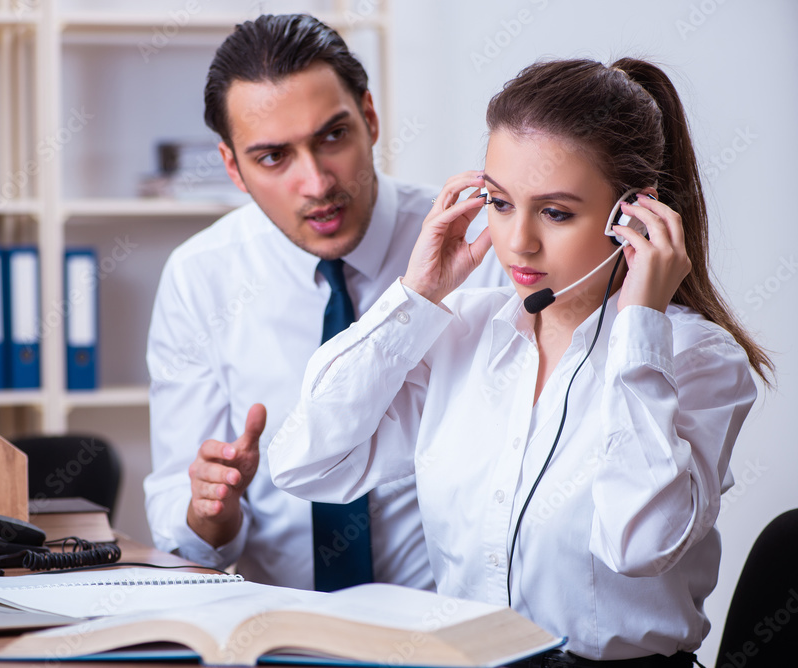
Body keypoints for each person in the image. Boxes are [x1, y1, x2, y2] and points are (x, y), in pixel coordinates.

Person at [269, 57, 773, 665]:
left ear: (633, 217)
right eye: (501, 204)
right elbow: (305, 464)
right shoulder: (462, 333)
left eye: (556, 212)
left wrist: (642, 325)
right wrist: (414, 298)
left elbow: (640, 544)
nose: (517, 241)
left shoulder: (694, 357)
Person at [144, 13, 508, 590]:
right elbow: (185, 535)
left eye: (332, 136)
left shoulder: (484, 250)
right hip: (279, 631)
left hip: (453, 627)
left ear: (369, 117)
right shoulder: (200, 277)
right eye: (273, 158)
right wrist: (212, 508)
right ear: (232, 168)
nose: (316, 183)